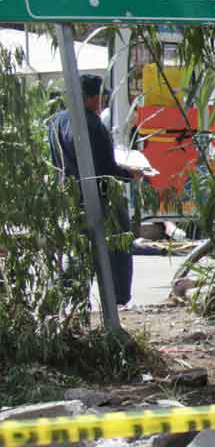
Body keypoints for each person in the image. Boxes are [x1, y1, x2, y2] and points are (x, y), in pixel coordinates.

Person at [48, 74, 140, 306]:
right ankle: (118, 295)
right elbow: (106, 169)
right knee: (119, 243)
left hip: (69, 195)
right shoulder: (93, 125)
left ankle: (67, 295)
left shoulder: (57, 121)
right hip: (100, 197)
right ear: (93, 97)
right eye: (100, 97)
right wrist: (132, 174)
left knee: (78, 249)